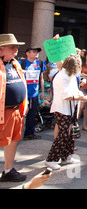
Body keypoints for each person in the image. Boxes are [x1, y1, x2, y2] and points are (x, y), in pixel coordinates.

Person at [45, 54, 87, 170]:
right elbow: (66, 96)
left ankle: (67, 156)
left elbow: (74, 90)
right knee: (63, 134)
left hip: (70, 108)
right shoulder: (62, 76)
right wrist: (80, 98)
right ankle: (51, 159)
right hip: (62, 109)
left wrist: (79, 94)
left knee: (70, 134)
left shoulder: (70, 75)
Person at [0, 34, 28, 182]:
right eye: (12, 47)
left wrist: (26, 102)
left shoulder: (15, 63)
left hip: (17, 110)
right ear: (1, 50)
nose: (16, 49)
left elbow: (22, 82)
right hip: (3, 110)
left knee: (13, 140)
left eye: (17, 46)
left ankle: (8, 169)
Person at [20, 47, 45, 140]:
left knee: (32, 114)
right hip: (23, 94)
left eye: (37, 52)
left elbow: (41, 78)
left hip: (34, 94)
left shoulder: (40, 63)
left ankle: (29, 133)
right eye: (34, 51)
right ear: (27, 53)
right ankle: (17, 133)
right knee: (21, 114)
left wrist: (42, 91)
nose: (36, 53)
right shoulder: (21, 63)